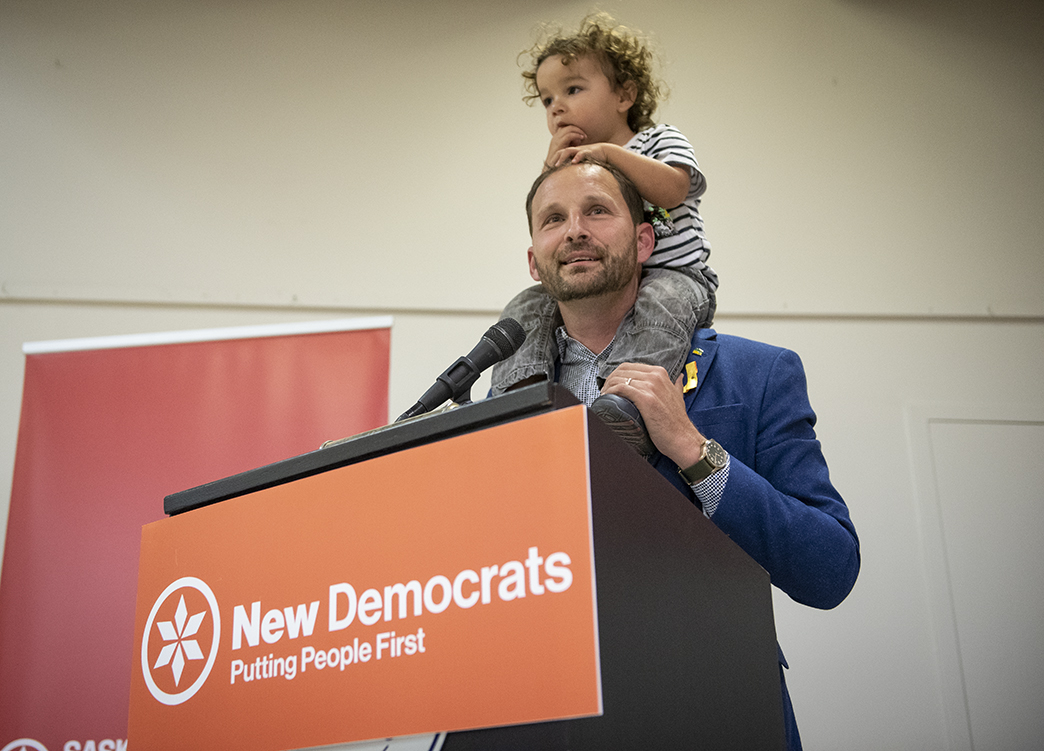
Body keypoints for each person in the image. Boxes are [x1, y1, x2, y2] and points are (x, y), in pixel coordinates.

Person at [517, 157, 860, 751]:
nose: (574, 230)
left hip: (715, 703)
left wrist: (693, 450)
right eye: (553, 219)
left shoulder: (758, 373)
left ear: (644, 241)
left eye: (597, 211)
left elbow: (829, 569)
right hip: (548, 712)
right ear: (533, 260)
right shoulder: (498, 404)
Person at [493, 13, 717, 451]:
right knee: (525, 304)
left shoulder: (657, 141)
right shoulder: (574, 159)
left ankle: (626, 404)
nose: (557, 106)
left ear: (625, 95)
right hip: (621, 275)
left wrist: (610, 155)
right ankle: (520, 392)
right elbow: (544, 206)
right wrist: (552, 169)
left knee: (658, 311)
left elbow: (675, 188)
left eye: (573, 89)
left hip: (677, 276)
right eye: (547, 99)